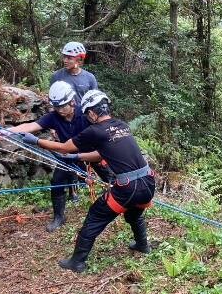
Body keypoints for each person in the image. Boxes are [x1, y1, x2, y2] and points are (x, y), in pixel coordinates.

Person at [21, 89, 155, 273]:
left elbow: (63, 148)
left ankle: (77, 262)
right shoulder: (121, 125)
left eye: (87, 114)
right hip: (148, 182)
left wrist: (36, 141)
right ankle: (142, 245)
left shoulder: (95, 131)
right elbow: (103, 153)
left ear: (92, 112)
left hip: (128, 187)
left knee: (95, 215)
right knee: (133, 213)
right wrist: (78, 157)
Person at [0, 81, 114, 233]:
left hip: (91, 153)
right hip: (68, 155)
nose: (59, 110)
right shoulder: (54, 117)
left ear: (72, 102)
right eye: (56, 107)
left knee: (110, 179)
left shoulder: (85, 114)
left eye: (62, 106)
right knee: (57, 182)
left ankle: (117, 208)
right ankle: (59, 217)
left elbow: (103, 128)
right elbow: (32, 126)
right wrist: (9, 131)